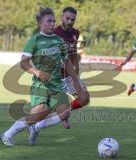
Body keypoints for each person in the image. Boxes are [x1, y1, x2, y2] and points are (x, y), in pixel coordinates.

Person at [0, 7, 82, 146]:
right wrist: (37, 72)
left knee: (65, 112)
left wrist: (76, 81)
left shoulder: (58, 40)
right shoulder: (34, 40)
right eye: (49, 21)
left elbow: (67, 62)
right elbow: (23, 63)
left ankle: (36, 128)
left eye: (53, 21)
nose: (52, 23)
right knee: (36, 115)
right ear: (40, 23)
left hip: (56, 84)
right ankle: (7, 135)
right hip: (40, 84)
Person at [27, 6, 90, 146]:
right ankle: (34, 127)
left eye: (73, 19)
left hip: (68, 75)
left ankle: (63, 112)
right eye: (67, 18)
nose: (70, 21)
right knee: (38, 112)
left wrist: (76, 75)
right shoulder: (52, 32)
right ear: (61, 17)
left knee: (85, 99)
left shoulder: (75, 33)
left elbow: (73, 56)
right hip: (53, 77)